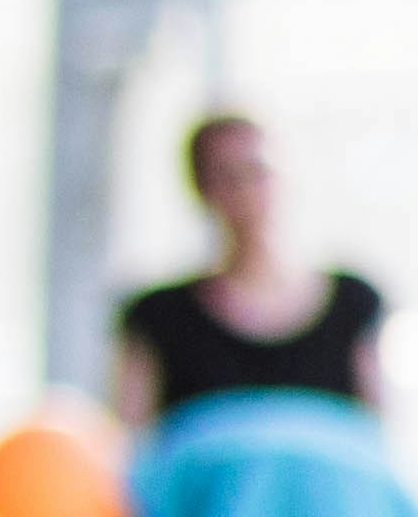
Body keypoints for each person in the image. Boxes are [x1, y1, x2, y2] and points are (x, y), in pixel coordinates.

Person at [115, 112, 383, 426]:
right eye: (227, 177)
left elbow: (376, 443)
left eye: (258, 172)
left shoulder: (352, 304)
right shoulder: (158, 316)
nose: (246, 192)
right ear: (201, 190)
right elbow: (130, 446)